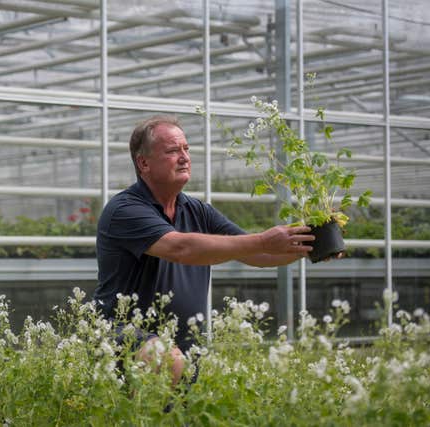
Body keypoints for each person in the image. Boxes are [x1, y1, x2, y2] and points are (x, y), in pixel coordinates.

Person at [93, 115, 314, 384]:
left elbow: (256, 254)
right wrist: (264, 239)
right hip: (122, 337)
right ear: (144, 163)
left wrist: (312, 245)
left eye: (186, 149)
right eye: (173, 150)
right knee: (165, 365)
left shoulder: (197, 210)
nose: (185, 157)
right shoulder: (125, 210)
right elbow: (181, 247)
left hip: (184, 343)